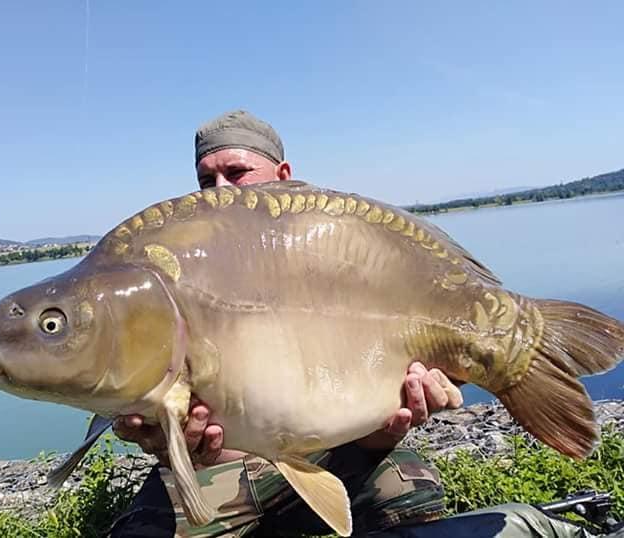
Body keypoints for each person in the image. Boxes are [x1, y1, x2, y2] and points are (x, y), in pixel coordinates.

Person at [107, 111, 618, 538]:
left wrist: (400, 413)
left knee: (407, 490)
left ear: (284, 176)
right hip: (213, 468)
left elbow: (370, 392)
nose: (218, 190)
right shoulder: (181, 276)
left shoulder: (340, 256)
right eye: (205, 179)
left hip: (335, 453)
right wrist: (157, 429)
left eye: (236, 173)